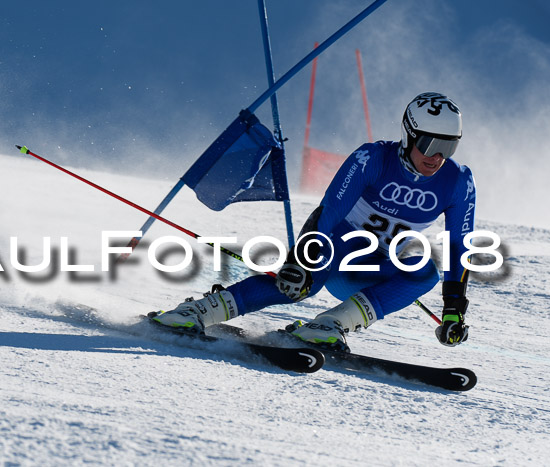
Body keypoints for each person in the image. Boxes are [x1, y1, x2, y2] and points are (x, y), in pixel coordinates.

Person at [151, 92, 476, 351]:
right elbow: (330, 211)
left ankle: (329, 325)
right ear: (409, 135)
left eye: (449, 146)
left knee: (424, 271)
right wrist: (301, 261)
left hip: (376, 267)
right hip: (335, 250)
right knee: (301, 285)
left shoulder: (458, 181)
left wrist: (453, 311)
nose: (437, 157)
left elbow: (459, 248)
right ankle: (196, 311)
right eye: (430, 144)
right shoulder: (373, 159)